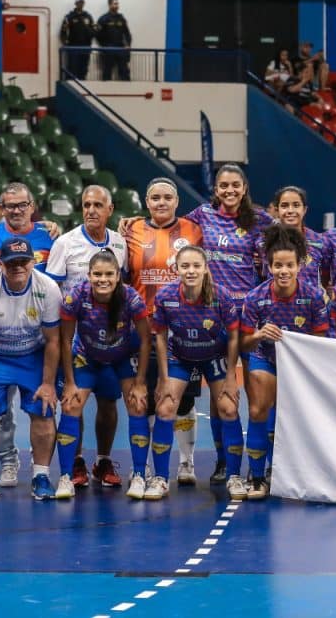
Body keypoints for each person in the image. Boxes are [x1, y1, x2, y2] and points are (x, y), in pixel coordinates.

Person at [186, 164, 273, 483]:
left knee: (258, 394)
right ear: (216, 188)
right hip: (214, 319)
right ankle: (224, 461)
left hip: (251, 318)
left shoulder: (262, 221)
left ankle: (261, 465)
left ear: (245, 187)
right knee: (221, 393)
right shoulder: (201, 215)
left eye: (235, 185)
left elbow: (289, 237)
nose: (230, 190)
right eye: (224, 185)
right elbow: (170, 229)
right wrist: (132, 223)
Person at [0, 182, 57, 487]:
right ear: (1, 208)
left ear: (32, 206)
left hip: (35, 329)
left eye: (22, 204)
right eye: (10, 205)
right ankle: (5, 461)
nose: (17, 210)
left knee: (43, 406)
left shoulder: (50, 234)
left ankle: (42, 474)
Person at [0, 237, 62, 501]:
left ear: (33, 262)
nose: (18, 267)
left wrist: (48, 383)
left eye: (23, 261)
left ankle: (40, 475)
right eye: (11, 263)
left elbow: (54, 340)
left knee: (43, 409)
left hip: (33, 354)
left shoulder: (49, 289)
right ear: (0, 264)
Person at [121, 178, 204, 486]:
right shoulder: (131, 232)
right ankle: (143, 465)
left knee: (183, 400)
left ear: (177, 201)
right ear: (146, 202)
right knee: (148, 399)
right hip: (143, 328)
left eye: (167, 197)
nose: (161, 202)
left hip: (183, 328)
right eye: (155, 197)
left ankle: (186, 462)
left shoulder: (194, 230)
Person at [46, 185, 128, 487]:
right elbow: (52, 292)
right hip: (75, 343)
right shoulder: (65, 244)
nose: (91, 210)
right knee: (74, 401)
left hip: (111, 344)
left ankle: (104, 461)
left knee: (108, 403)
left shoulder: (121, 244)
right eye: (86, 204)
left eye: (97, 205)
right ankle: (77, 461)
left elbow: (124, 286)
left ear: (110, 210)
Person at [240, 225, 329, 499]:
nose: (283, 271)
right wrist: (258, 335)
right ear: (268, 266)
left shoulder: (314, 297)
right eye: (277, 265)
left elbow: (321, 341)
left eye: (289, 265)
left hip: (300, 369)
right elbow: (243, 344)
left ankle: (288, 473)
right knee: (257, 410)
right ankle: (256, 477)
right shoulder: (255, 298)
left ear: (299, 265)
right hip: (264, 359)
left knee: (294, 421)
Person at [54, 250, 150, 500]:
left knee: (137, 406)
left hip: (121, 358)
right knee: (71, 405)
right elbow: (65, 340)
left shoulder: (131, 297)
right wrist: (70, 382)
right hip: (87, 357)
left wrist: (140, 383)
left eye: (109, 274)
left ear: (118, 276)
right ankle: (66, 476)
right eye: (97, 274)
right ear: (89, 275)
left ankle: (138, 475)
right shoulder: (75, 297)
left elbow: (147, 339)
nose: (103, 279)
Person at [151, 245, 241, 498]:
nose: (191, 271)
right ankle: (160, 479)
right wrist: (164, 378)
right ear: (177, 269)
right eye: (185, 266)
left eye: (196, 266)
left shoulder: (221, 296)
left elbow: (234, 336)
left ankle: (234, 476)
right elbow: (159, 336)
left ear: (205, 269)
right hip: (180, 356)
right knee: (165, 407)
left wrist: (232, 377)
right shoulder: (165, 296)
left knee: (229, 407)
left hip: (214, 356)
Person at [272, 185, 326, 282]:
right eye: (284, 206)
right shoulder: (264, 241)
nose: (290, 210)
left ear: (304, 210)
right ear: (277, 211)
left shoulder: (320, 241)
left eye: (296, 205)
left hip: (312, 296)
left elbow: (326, 277)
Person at [95, 0, 132, 81]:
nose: (117, 5)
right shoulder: (103, 18)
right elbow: (97, 34)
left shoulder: (121, 18)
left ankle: (127, 90)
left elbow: (127, 34)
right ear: (110, 5)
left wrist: (128, 45)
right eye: (115, 4)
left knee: (124, 72)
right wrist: (104, 46)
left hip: (120, 48)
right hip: (108, 49)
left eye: (117, 3)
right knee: (107, 72)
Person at [61, 0, 95, 80]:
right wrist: (65, 43)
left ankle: (82, 90)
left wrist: (91, 36)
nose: (81, 4)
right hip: (73, 47)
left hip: (86, 47)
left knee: (83, 69)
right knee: (72, 69)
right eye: (79, 2)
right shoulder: (69, 17)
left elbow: (93, 30)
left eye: (82, 2)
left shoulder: (88, 16)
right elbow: (63, 31)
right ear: (75, 3)